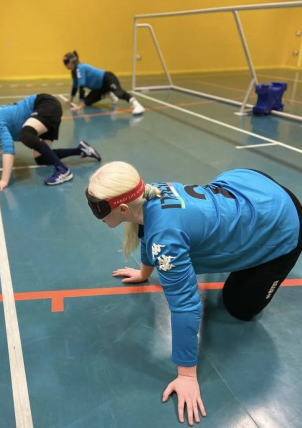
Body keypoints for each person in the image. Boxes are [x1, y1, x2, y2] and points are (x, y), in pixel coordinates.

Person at [85, 161, 302, 426]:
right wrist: (144, 273)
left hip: (283, 218)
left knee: (239, 308)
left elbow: (186, 305)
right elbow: (146, 233)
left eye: (98, 211)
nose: (96, 215)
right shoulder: (152, 194)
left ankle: (256, 249)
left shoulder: (166, 239)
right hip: (249, 183)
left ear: (121, 208)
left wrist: (186, 375)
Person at [0, 93, 101, 190]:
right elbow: (0, 137)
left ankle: (63, 170)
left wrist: (4, 181)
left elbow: (9, 148)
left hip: (45, 105)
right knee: (41, 158)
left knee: (26, 134)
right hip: (47, 110)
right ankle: (80, 149)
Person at [63, 51, 145, 115]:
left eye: (65, 63)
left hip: (106, 79)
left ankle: (136, 104)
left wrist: (80, 105)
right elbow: (75, 86)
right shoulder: (74, 72)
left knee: (119, 93)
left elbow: (82, 87)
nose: (65, 65)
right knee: (87, 102)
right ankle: (107, 93)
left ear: (70, 63)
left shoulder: (80, 68)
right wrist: (71, 99)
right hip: (99, 88)